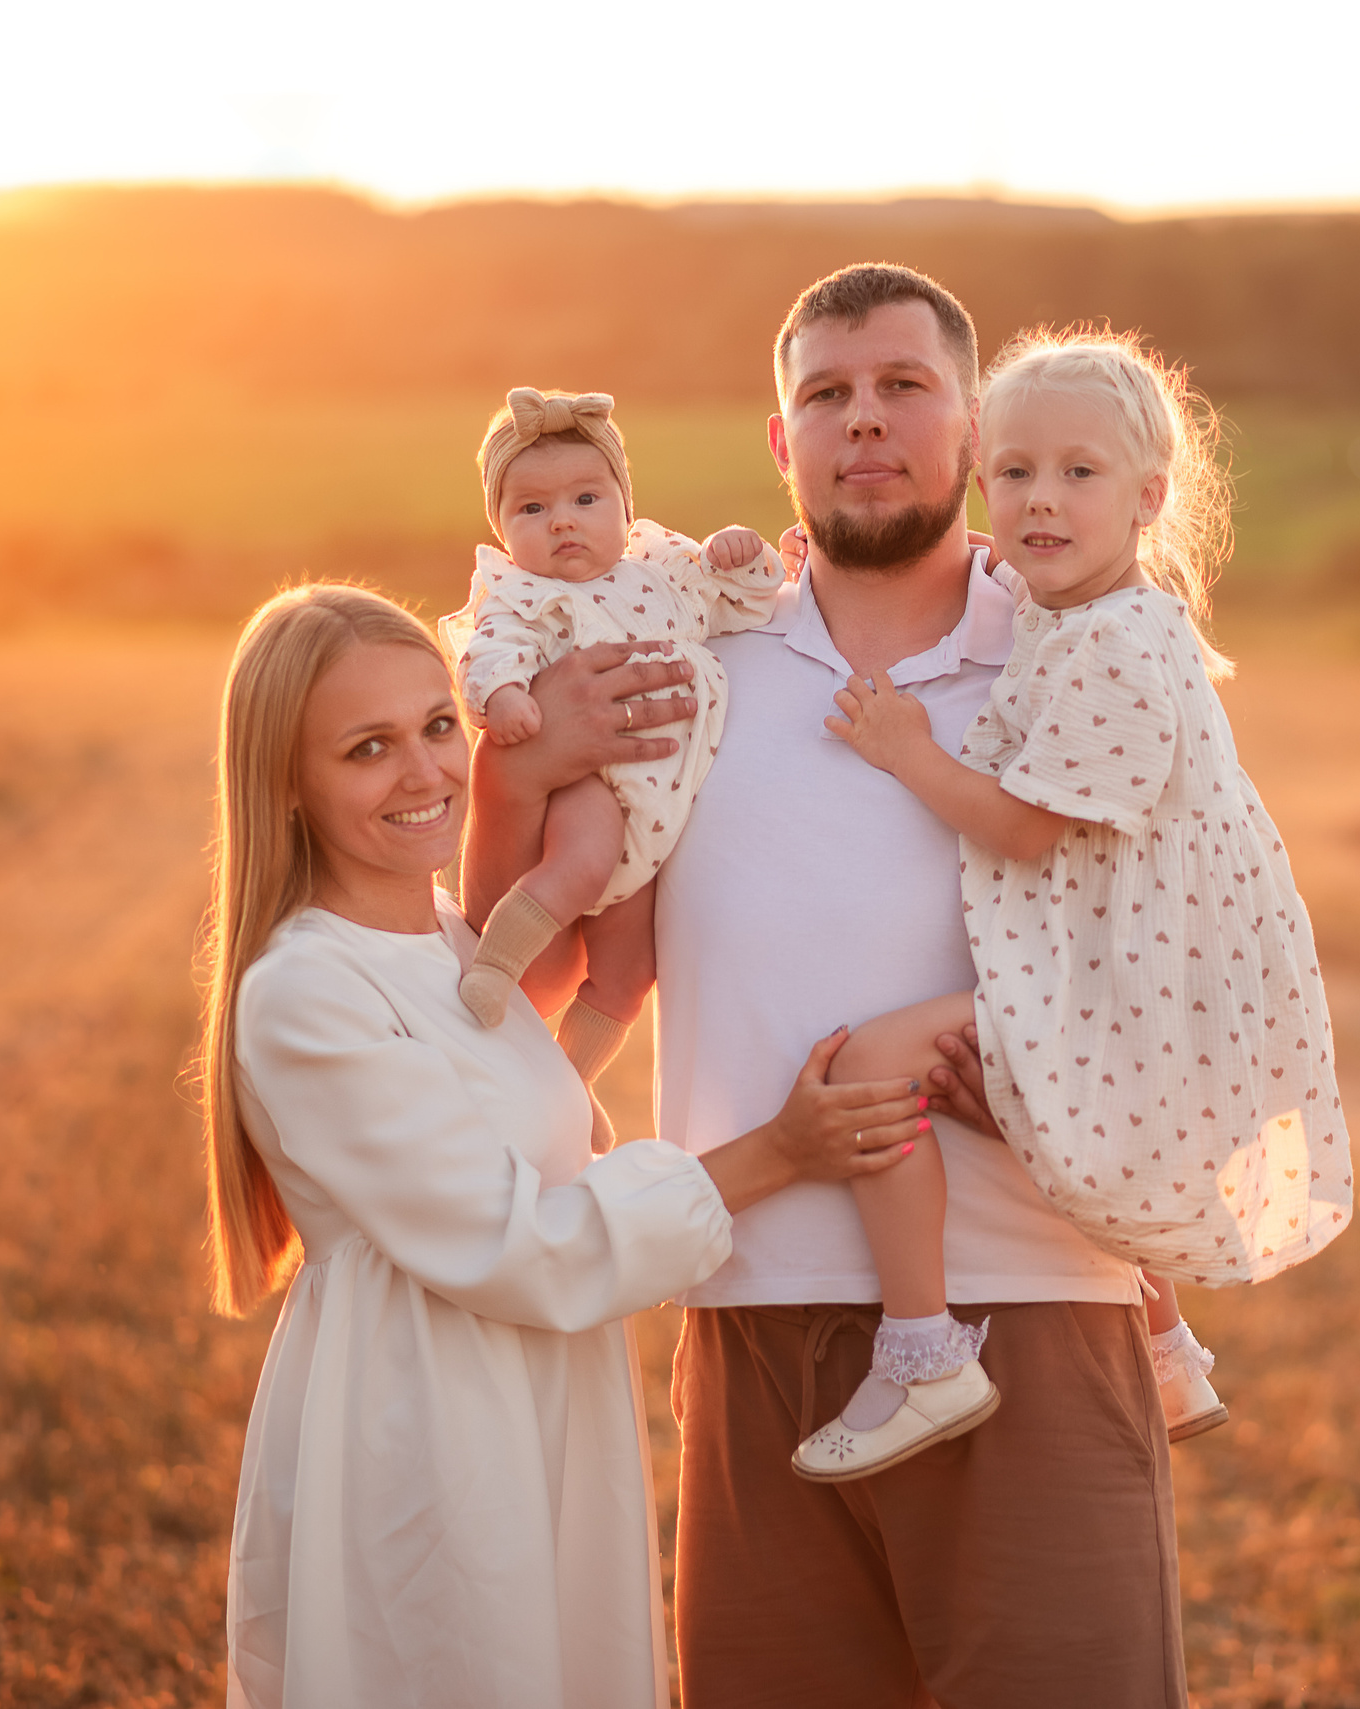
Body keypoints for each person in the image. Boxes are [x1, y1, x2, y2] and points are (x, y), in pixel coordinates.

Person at [468, 265, 1188, 1707]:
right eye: (827, 394)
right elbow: (526, 979)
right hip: (749, 1307)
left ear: (976, 429)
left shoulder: (1087, 644)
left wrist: (1051, 1063)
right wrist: (520, 768)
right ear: (780, 444)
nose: (866, 421)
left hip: (1031, 1298)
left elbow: (1186, 959)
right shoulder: (689, 653)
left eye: (905, 387)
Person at [197, 583, 928, 1708]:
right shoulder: (304, 989)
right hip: (427, 1424)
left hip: (540, 1397)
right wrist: (777, 1150)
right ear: (285, 785)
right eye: (366, 748)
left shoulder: (458, 947)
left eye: (438, 725)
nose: (423, 771)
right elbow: (522, 1242)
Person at [800, 328, 1355, 1482]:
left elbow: (1018, 824)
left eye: (1077, 474)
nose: (1038, 502)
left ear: (1151, 494)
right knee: (1070, 1119)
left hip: (1122, 982)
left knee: (868, 1066)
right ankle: (1164, 1346)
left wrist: (907, 748)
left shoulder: (1113, 651)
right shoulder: (1089, 610)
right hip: (1127, 964)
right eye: (1013, 474)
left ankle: (923, 1348)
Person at [439, 387, 787, 1150]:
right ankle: (493, 969)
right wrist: (501, 696)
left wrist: (742, 552)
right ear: (501, 527)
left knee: (632, 970)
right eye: (531, 509)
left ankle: (568, 1083)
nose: (561, 519)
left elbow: (748, 600)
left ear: (624, 508)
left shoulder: (661, 565)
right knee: (580, 865)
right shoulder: (521, 593)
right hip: (594, 781)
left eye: (585, 497)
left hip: (663, 807)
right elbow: (487, 650)